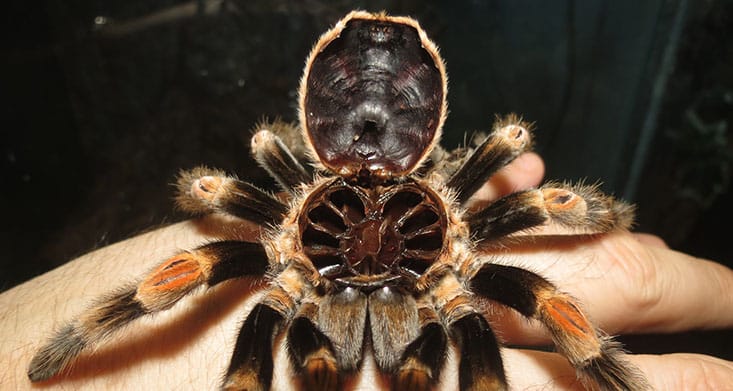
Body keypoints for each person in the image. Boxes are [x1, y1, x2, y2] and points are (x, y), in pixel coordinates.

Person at [1, 153, 732, 389]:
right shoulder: (283, 239)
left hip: (431, 272)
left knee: (545, 282)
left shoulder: (460, 235)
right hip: (306, 272)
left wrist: (602, 221)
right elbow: (209, 191)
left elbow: (545, 198)